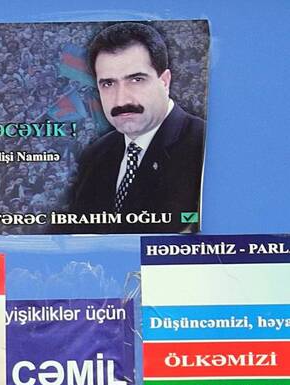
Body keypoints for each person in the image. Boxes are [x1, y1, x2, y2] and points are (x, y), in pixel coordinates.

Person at [67, 21, 205, 233]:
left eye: (136, 80)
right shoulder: (95, 156)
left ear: (165, 81)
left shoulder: (205, 146)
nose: (121, 100)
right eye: (108, 84)